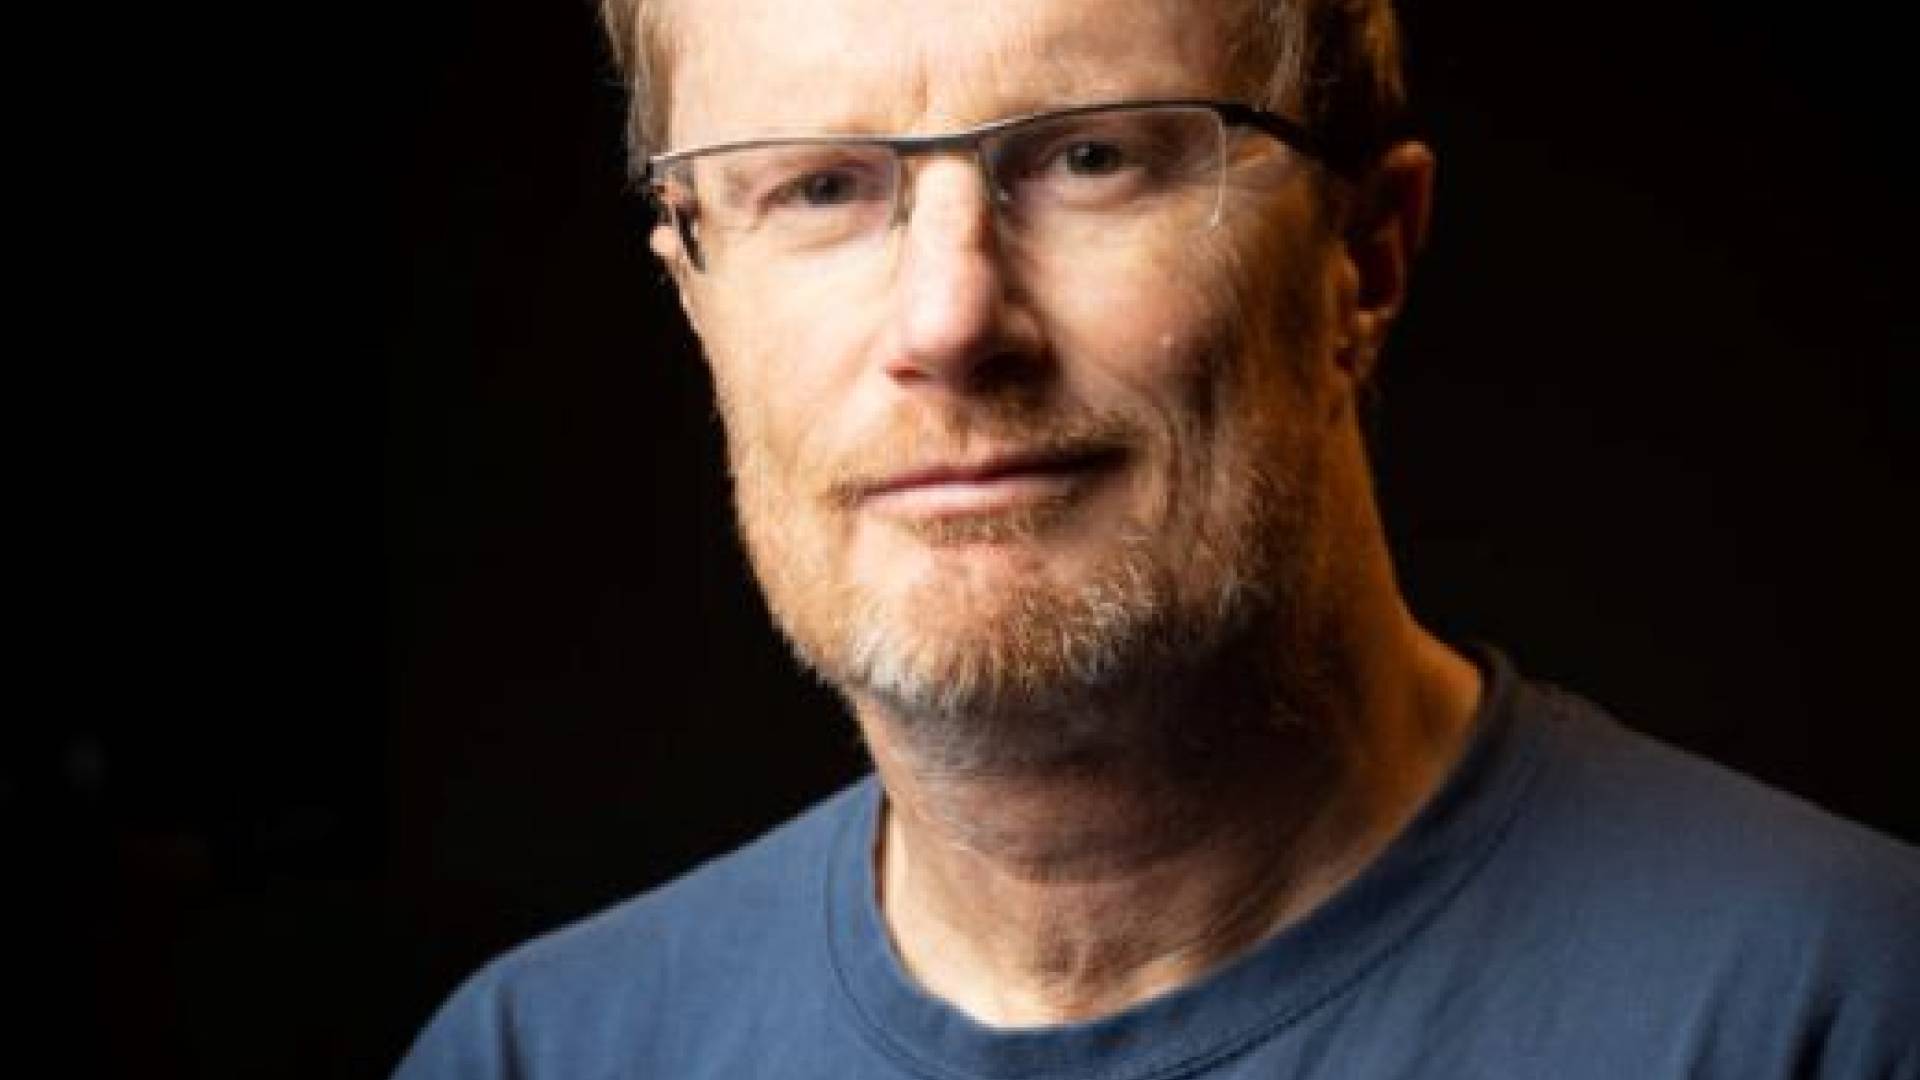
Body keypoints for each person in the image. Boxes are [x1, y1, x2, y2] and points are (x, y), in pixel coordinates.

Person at [394, 0, 1919, 1076]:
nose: (950, 321)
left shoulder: (1835, 1013)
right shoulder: (539, 1055)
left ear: (1365, 258)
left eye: (1092, 157)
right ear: (694, 294)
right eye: (821, 187)